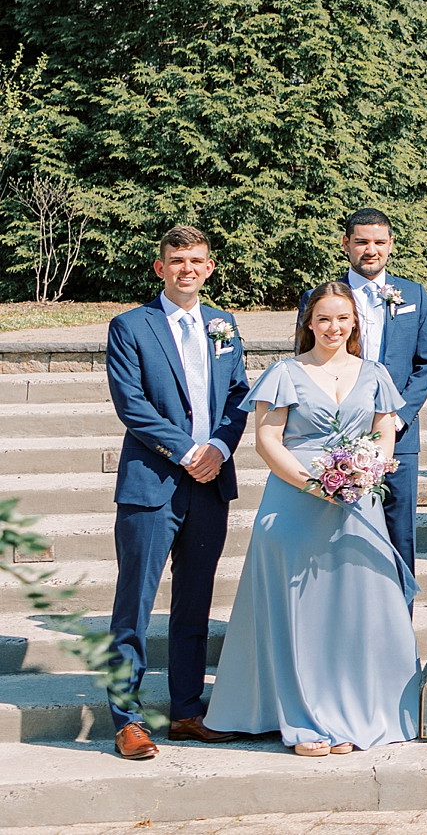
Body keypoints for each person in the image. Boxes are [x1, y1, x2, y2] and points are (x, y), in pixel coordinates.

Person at [205, 283, 422, 755]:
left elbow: (385, 432)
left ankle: (350, 714)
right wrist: (317, 485)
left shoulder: (375, 373)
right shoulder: (285, 372)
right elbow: (267, 441)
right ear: (308, 322)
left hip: (357, 504)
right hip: (296, 504)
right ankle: (304, 719)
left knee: (350, 615)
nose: (333, 328)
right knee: (302, 616)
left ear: (354, 323)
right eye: (324, 318)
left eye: (343, 319)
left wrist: (366, 474)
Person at [102, 225, 253, 761]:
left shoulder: (224, 325)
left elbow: (240, 395)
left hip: (210, 485)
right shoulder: (130, 326)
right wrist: (188, 451)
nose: (187, 268)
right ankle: (127, 719)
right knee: (134, 605)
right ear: (159, 268)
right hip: (152, 483)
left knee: (195, 602)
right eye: (176, 260)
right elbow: (132, 404)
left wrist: (218, 446)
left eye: (196, 260)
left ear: (209, 268)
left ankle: (187, 710)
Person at [298, 208, 427, 583]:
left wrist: (399, 416)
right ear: (346, 244)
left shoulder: (413, 294)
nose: (370, 249)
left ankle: (398, 621)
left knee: (398, 532)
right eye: (361, 241)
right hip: (335, 436)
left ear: (391, 245)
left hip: (400, 437)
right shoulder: (320, 298)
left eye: (379, 242)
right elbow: (305, 361)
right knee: (336, 533)